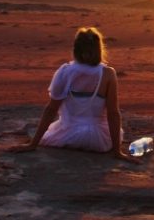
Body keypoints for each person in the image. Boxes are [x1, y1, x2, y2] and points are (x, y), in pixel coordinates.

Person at [11, 27, 133, 161]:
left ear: (76, 49)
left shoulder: (65, 72)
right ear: (99, 49)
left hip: (67, 136)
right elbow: (113, 113)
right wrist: (117, 151)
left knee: (52, 131)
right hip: (98, 141)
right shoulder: (108, 74)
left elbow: (51, 109)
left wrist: (33, 144)